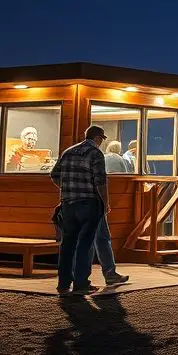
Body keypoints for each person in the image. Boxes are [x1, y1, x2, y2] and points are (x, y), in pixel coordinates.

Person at [50, 125, 110, 296]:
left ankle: (63, 283)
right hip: (89, 203)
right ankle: (81, 283)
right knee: (85, 244)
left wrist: (68, 188)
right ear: (98, 138)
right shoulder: (95, 153)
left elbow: (54, 175)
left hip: (68, 204)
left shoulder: (68, 152)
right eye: (101, 140)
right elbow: (100, 181)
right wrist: (106, 203)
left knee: (67, 244)